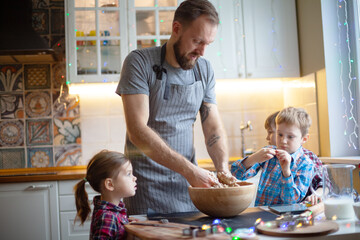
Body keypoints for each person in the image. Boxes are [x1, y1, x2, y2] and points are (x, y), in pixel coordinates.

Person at [116, 0, 230, 215]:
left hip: (189, 188)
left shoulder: (204, 69)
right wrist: (190, 170)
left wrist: (222, 170)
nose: (202, 52)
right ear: (176, 29)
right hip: (146, 189)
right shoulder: (139, 62)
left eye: (208, 43)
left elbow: (213, 128)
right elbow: (137, 130)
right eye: (197, 41)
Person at [231, 107, 314, 206]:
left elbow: (291, 200)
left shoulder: (306, 164)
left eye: (290, 137)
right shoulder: (269, 153)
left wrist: (286, 172)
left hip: (285, 219)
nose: (283, 141)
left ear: (304, 139)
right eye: (280, 134)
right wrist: (253, 158)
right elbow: (236, 174)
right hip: (261, 214)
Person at [264, 111, 324, 205]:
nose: (267, 137)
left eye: (270, 132)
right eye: (280, 135)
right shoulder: (270, 155)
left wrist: (317, 194)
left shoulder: (307, 158)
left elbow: (324, 184)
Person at [74, 150, 137, 239]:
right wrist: (130, 236)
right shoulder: (108, 218)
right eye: (128, 174)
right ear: (110, 184)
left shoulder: (112, 211)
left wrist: (125, 225)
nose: (134, 178)